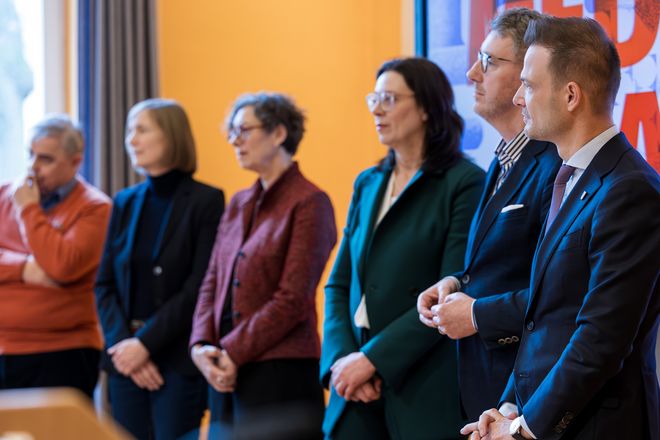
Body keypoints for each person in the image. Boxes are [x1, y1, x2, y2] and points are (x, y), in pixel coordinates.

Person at [462, 16, 659, 440]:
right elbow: (544, 317)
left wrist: (523, 428)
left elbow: (600, 340)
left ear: (570, 95)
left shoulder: (630, 190)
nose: (518, 98)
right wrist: (509, 408)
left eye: (529, 86)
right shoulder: (569, 178)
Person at [321, 57, 486, 439]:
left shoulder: (464, 183)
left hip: (420, 384)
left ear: (426, 107)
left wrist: (373, 359)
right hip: (354, 386)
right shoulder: (368, 182)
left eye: (390, 99)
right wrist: (342, 362)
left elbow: (450, 290)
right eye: (374, 99)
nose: (377, 109)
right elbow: (338, 285)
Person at [416, 8, 561, 420]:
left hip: (528, 393)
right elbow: (496, 266)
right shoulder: (500, 159)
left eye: (489, 61)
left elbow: (559, 293)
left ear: (529, 73)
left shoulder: (556, 164)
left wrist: (476, 314)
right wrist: (456, 282)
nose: (472, 75)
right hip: (483, 388)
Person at [189, 92, 337, 439]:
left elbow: (293, 297)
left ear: (278, 133)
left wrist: (232, 350)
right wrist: (200, 346)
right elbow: (212, 281)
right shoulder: (239, 202)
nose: (234, 140)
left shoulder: (310, 201)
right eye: (231, 132)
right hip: (224, 369)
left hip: (280, 373)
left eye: (244, 130)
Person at [95, 98, 224, 440]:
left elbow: (198, 287)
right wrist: (126, 348)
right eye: (129, 131)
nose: (131, 140)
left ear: (170, 135)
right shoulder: (124, 201)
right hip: (125, 362)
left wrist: (145, 345)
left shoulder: (207, 201)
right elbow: (104, 285)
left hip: (176, 360)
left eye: (141, 130)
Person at [0, 114, 111, 398]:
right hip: (4, 347)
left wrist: (28, 209)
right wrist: (24, 268)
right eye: (30, 155)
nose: (32, 168)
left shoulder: (95, 208)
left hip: (64, 352)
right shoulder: (3, 195)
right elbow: (47, 265)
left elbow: (62, 266)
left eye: (45, 159)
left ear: (75, 162)